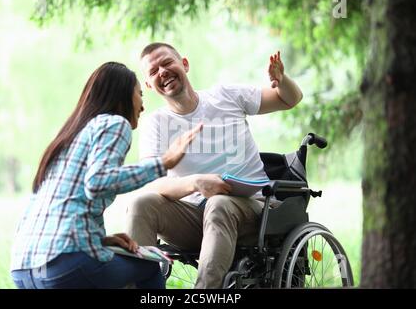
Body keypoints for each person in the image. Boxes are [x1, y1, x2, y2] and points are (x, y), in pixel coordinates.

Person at [125, 43, 303, 288]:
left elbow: (289, 99)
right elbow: (152, 183)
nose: (162, 72)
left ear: (184, 64)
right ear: (148, 85)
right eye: (153, 71)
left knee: (219, 204)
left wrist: (281, 80)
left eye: (167, 63)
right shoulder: (156, 123)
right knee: (140, 204)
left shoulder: (226, 96)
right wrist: (195, 183)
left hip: (254, 210)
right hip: (195, 216)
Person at [10, 61, 202, 289]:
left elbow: (69, 203)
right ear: (122, 96)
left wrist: (99, 240)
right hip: (65, 262)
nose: (142, 105)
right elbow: (98, 182)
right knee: (149, 268)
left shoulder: (68, 137)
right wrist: (164, 163)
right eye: (140, 94)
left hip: (24, 268)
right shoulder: (115, 123)